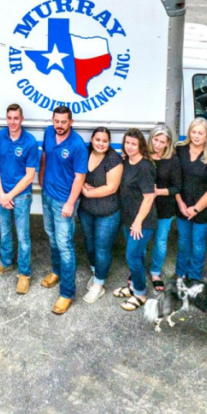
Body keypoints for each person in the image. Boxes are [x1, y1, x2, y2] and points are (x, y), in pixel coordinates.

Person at [39, 106, 88, 315]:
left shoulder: (77, 146)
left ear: (71, 122)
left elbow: (80, 177)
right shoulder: (48, 133)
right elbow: (45, 156)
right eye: (56, 121)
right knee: (51, 237)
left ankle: (67, 293)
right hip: (47, 195)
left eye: (63, 122)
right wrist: (41, 179)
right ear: (53, 120)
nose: (59, 126)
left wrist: (70, 202)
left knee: (65, 244)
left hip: (64, 202)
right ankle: (57, 271)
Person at [0, 104, 41, 294]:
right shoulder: (0, 137)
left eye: (16, 118)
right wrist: (1, 193)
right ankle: (5, 262)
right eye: (9, 118)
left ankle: (24, 273)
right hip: (3, 194)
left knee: (23, 236)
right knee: (4, 231)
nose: (12, 122)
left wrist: (9, 196)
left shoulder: (29, 142)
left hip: (20, 196)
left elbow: (29, 176)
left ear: (22, 119)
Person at [78, 127, 123, 304]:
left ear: (109, 142)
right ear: (92, 139)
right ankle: (97, 271)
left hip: (108, 212)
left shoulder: (114, 160)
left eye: (105, 141)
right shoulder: (85, 151)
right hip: (86, 211)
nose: (101, 143)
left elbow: (111, 188)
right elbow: (75, 173)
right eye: (98, 139)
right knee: (89, 244)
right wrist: (82, 187)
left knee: (102, 248)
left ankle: (99, 285)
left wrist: (88, 192)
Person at [175, 117, 207, 281]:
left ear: (206, 135)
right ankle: (180, 274)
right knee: (183, 242)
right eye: (193, 132)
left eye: (200, 133)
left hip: (202, 210)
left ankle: (194, 277)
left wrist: (195, 209)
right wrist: (181, 204)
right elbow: (174, 180)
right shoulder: (179, 150)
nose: (196, 136)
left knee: (198, 244)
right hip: (182, 206)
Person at [116, 129, 157, 311]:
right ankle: (133, 285)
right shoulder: (126, 162)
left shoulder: (145, 167)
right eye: (127, 143)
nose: (130, 147)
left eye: (134, 143)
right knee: (137, 255)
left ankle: (140, 294)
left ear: (140, 145)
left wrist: (138, 221)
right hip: (129, 217)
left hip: (142, 221)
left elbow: (149, 197)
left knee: (132, 255)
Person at [148, 125, 181, 293]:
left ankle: (155, 272)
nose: (158, 144)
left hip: (164, 207)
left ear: (168, 143)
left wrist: (157, 192)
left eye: (162, 141)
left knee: (160, 241)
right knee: (142, 241)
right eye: (155, 139)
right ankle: (136, 271)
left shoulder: (173, 160)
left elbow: (177, 187)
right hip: (145, 207)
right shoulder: (144, 156)